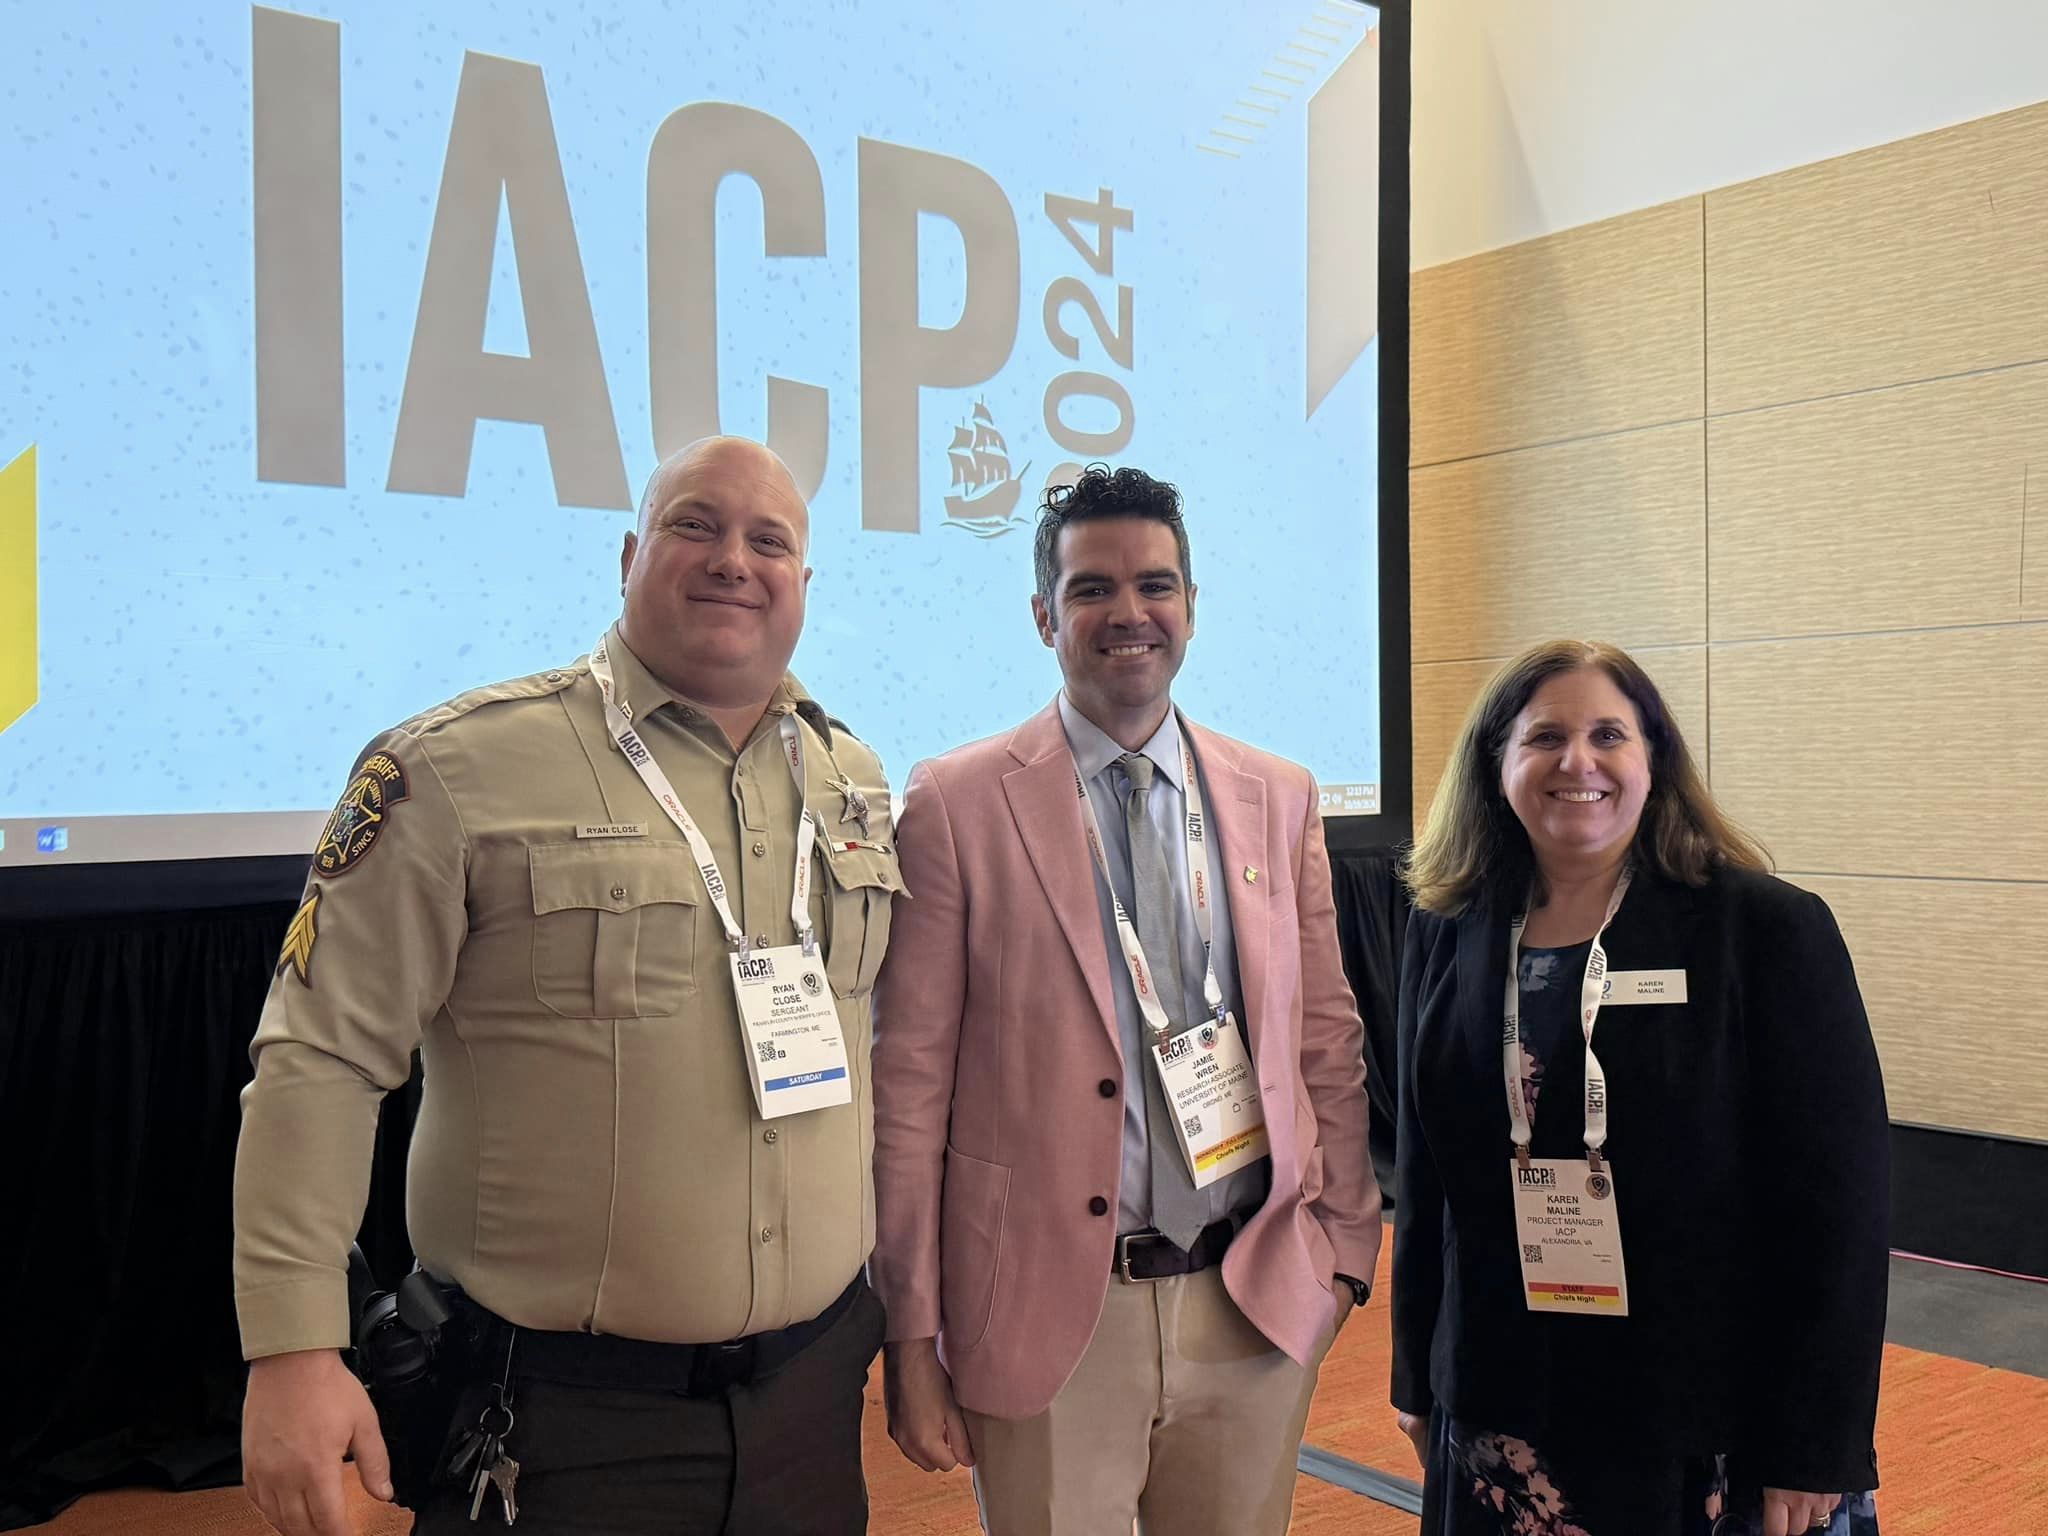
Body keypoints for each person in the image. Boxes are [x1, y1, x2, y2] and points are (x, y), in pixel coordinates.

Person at [233, 437, 901, 1536]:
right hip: (554, 1424)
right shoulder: (453, 770)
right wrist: (293, 1346)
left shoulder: (850, 780)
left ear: (804, 584)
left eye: (768, 539)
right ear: (630, 552)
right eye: (696, 525)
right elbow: (320, 1061)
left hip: (809, 1399)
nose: (734, 558)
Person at [869, 464, 1383, 1536]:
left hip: (1251, 1299)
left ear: (1189, 605)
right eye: (1091, 587)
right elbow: (909, 1090)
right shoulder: (957, 803)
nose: (1127, 612)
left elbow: (1324, 1043)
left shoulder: (1275, 795)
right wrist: (910, 1336)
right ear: (1042, 614)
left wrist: (1341, 1256)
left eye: (1153, 584)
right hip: (1054, 1316)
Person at [1392, 638, 1887, 1536]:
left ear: (1653, 762)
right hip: (1504, 1397)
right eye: (1544, 736)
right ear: (1496, 765)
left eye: (1608, 735)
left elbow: (1838, 1212)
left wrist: (1818, 1441)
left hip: (1705, 1412)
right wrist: (1418, 1373)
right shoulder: (1449, 931)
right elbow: (1428, 1176)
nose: (1576, 761)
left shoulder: (1765, 931)